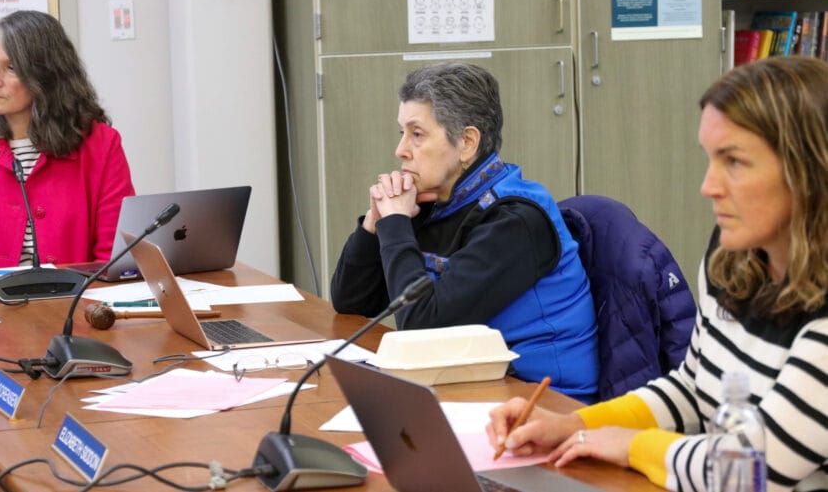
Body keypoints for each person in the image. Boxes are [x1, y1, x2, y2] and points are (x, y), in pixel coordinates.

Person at [486, 56, 828, 491]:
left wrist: (630, 445)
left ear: (809, 171)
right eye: (710, 159)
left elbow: (757, 467)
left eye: (735, 162)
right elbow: (693, 388)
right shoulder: (735, 258)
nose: (709, 185)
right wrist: (572, 424)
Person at [330, 62, 599, 402]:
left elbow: (422, 330)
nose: (401, 150)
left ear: (468, 143)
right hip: (477, 384)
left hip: (546, 402)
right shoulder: (436, 202)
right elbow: (351, 301)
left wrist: (396, 223)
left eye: (417, 134)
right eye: (402, 132)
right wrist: (375, 222)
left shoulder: (514, 221)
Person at [0, 10, 134, 267]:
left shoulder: (101, 145)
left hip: (75, 303)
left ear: (45, 74)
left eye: (11, 68)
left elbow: (114, 259)